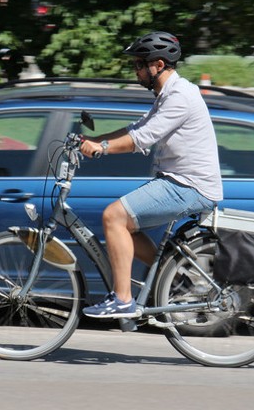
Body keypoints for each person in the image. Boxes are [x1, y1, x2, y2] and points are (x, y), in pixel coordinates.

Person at [80, 31, 223, 318]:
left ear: (157, 65)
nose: (136, 71)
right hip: (178, 181)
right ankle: (174, 275)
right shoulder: (168, 94)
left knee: (113, 216)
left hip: (190, 186)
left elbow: (143, 138)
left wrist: (102, 149)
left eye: (139, 64)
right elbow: (136, 128)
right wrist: (89, 140)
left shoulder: (180, 96)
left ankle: (122, 299)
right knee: (125, 225)